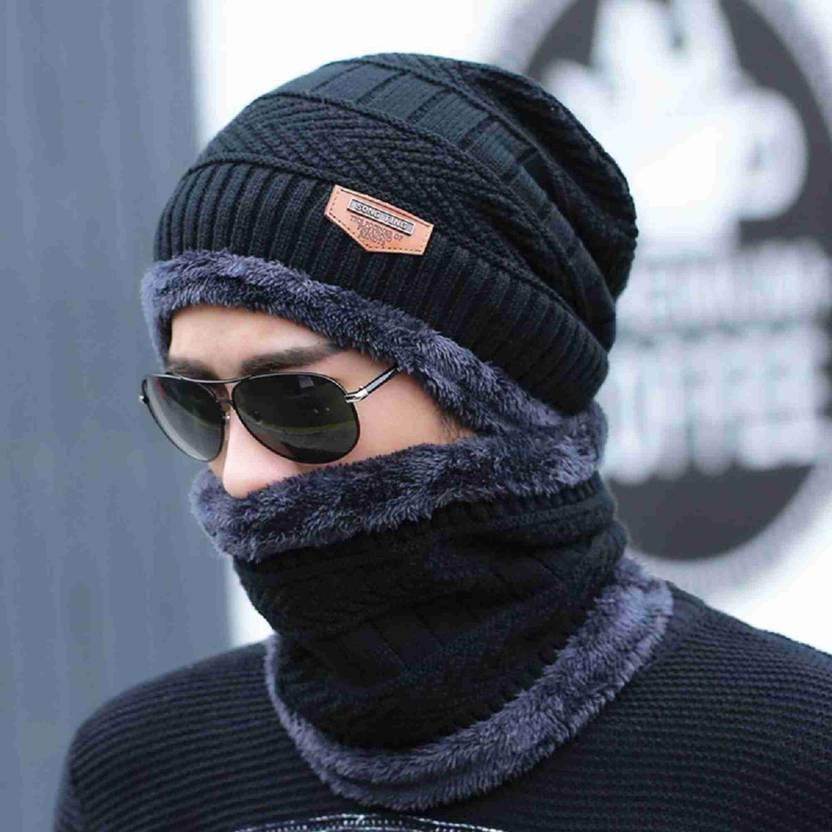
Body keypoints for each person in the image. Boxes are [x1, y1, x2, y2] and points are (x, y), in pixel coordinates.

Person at [53, 52, 832, 832]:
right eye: (197, 406)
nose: (241, 474)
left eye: (297, 400)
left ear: (492, 393)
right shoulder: (136, 780)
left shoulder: (793, 758)